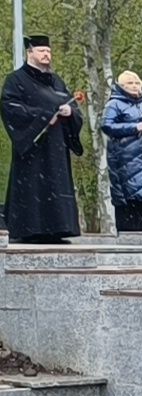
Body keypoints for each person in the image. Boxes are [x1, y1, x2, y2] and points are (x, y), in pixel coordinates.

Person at [2, 33, 83, 243]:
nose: (47, 55)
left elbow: (71, 105)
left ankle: (58, 228)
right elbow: (11, 108)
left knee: (57, 185)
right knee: (33, 187)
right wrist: (43, 116)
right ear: (30, 53)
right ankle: (31, 229)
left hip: (56, 147)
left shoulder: (56, 81)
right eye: (42, 51)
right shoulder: (16, 80)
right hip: (33, 147)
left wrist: (70, 112)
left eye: (48, 51)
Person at [100, 70, 142, 232]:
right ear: (121, 86)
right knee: (126, 201)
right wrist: (133, 127)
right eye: (130, 83)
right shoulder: (114, 104)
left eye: (137, 83)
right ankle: (126, 239)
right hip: (123, 160)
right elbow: (106, 125)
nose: (134, 86)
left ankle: (141, 239)